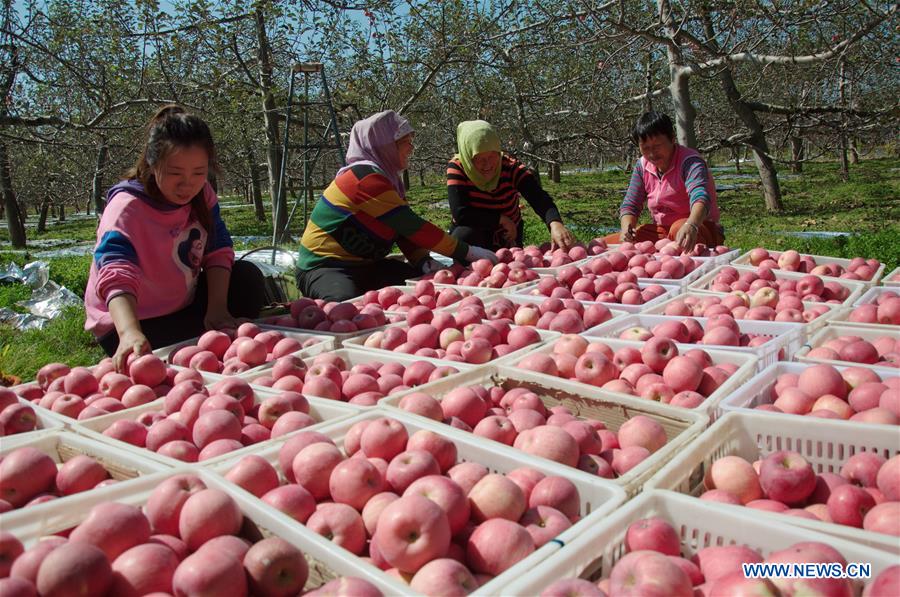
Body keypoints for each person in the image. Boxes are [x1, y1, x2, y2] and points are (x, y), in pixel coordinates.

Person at [84, 105, 267, 369]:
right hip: (132, 321)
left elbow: (217, 248)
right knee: (168, 357)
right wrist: (129, 333)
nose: (187, 184)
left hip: (180, 305)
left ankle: (205, 336)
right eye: (174, 173)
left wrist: (217, 308)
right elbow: (115, 270)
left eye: (198, 173)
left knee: (245, 278)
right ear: (152, 163)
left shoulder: (202, 195)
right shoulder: (127, 207)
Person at [297, 110, 496, 302]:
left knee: (421, 287)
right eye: (405, 143)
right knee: (343, 304)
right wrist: (467, 251)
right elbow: (411, 226)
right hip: (324, 266)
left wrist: (422, 260)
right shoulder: (363, 179)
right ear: (385, 147)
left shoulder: (389, 180)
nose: (411, 148)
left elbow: (401, 230)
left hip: (366, 264)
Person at [447, 120, 576, 252]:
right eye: (479, 159)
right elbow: (461, 213)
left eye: (492, 156)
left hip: (509, 235)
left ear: (499, 152)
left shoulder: (510, 167)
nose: (488, 165)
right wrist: (500, 219)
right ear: (468, 157)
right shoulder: (458, 168)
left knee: (511, 262)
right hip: (474, 232)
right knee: (463, 236)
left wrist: (555, 223)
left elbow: (538, 197)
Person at [607, 111, 724, 251]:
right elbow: (631, 204)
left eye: (657, 146)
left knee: (678, 230)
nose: (651, 154)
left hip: (699, 228)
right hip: (662, 231)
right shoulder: (642, 166)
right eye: (645, 148)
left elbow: (700, 197)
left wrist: (691, 224)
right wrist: (627, 229)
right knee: (603, 245)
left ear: (672, 139)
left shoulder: (691, 162)